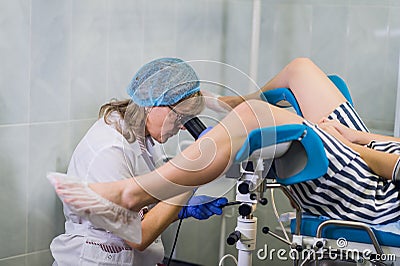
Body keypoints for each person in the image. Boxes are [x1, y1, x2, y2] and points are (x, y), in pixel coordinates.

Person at [48, 57, 400, 244]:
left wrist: (348, 143)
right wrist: (355, 136)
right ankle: (229, 104)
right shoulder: (112, 145)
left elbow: (392, 167)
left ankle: (131, 194)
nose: (177, 127)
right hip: (370, 154)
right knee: (300, 69)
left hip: (376, 195)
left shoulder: (131, 137)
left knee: (254, 116)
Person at [49, 57, 228, 266]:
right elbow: (137, 236)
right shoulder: (109, 149)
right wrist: (193, 172)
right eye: (181, 117)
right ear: (153, 105)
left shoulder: (142, 138)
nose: (182, 127)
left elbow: (143, 208)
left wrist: (180, 210)